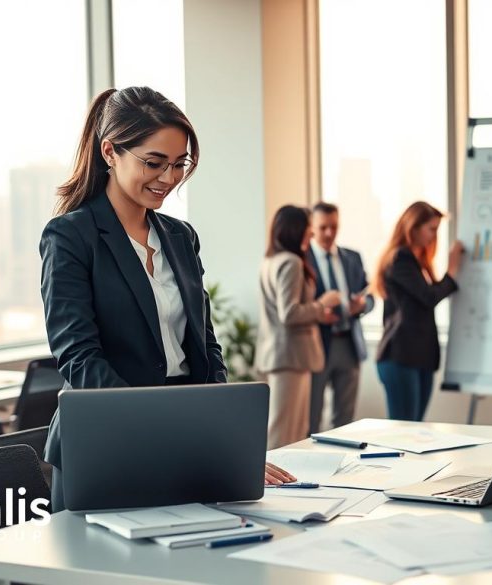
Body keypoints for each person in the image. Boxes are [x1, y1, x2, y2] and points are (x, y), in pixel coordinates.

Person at [39, 87, 294, 511]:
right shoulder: (70, 237)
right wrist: (157, 431)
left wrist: (226, 439)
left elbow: (205, 346)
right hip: (108, 435)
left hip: (183, 430)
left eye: (179, 164)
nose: (169, 178)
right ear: (110, 152)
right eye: (154, 163)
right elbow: (79, 358)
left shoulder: (180, 237)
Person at [256, 205, 341, 449]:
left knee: (286, 429)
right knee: (286, 433)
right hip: (291, 358)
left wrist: (318, 315)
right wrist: (321, 304)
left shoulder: (270, 260)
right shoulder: (291, 262)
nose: (312, 234)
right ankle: (275, 485)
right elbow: (289, 313)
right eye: (308, 229)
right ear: (296, 230)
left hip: (281, 355)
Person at [374, 201, 465, 421]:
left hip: (420, 357)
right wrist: (452, 271)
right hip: (400, 356)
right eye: (431, 229)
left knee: (415, 428)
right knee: (404, 431)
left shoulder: (419, 261)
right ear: (413, 228)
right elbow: (428, 297)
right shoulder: (400, 259)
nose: (434, 236)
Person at [306, 202, 374, 434]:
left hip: (349, 343)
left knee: (345, 420)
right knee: (311, 416)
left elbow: (371, 295)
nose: (329, 233)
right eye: (323, 227)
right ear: (312, 227)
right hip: (317, 345)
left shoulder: (352, 258)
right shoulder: (302, 259)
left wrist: (363, 305)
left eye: (334, 227)